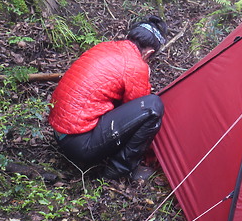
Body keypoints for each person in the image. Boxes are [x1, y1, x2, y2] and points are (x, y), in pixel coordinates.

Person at [48, 15, 168, 181]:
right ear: (149, 52)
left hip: (59, 131)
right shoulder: (135, 65)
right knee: (153, 106)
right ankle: (119, 170)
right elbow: (138, 109)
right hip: (79, 144)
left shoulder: (105, 47)